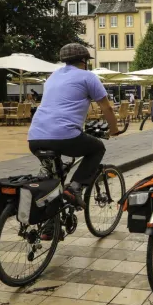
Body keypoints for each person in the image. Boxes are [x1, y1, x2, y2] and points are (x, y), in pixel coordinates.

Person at [28, 43, 121, 208]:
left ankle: (49, 228)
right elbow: (106, 107)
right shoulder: (88, 76)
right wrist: (114, 129)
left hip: (35, 137)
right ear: (84, 60)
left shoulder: (53, 76)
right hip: (64, 136)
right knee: (97, 148)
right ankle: (75, 187)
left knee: (53, 181)